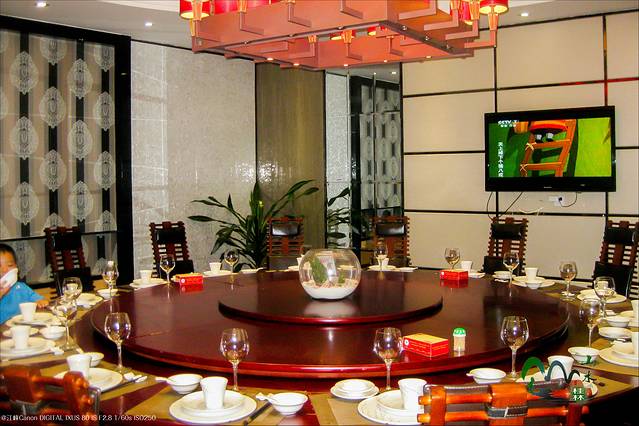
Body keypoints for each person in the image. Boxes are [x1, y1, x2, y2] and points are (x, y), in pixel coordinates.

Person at [0, 244, 48, 324]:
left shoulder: (22, 288)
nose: (4, 270)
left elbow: (40, 300)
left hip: (24, 328)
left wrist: (41, 302)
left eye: (10, 265)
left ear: (16, 268)